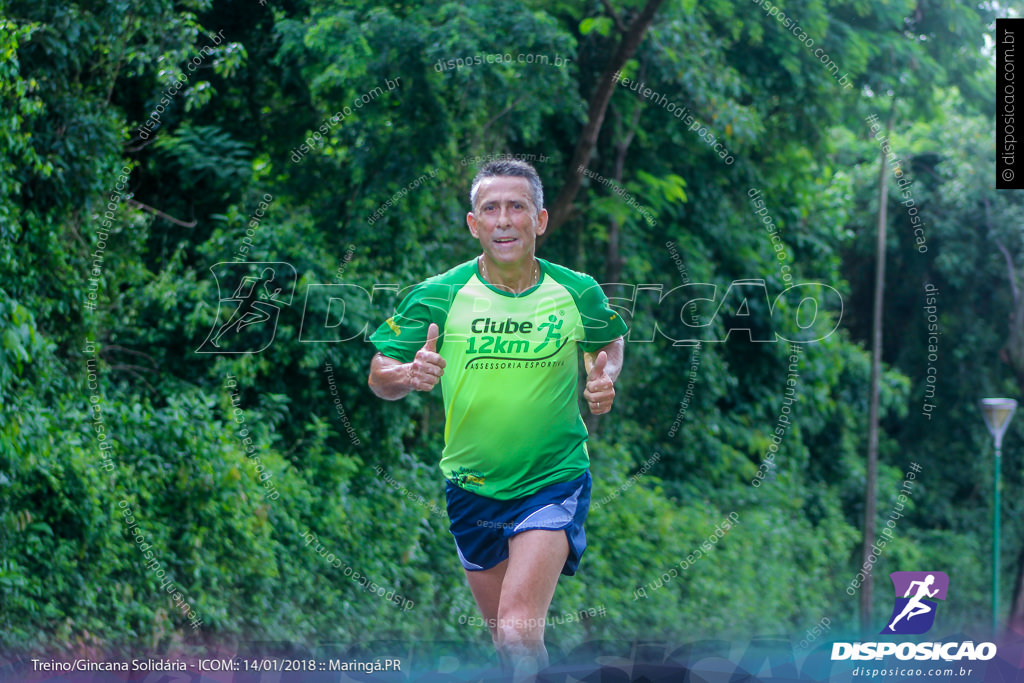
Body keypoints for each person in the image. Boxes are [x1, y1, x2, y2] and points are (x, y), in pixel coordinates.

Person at [367, 159, 626, 680]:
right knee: (509, 642)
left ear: (541, 219)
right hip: (471, 487)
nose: (504, 219)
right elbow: (379, 372)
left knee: (516, 629)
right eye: (491, 208)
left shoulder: (577, 290)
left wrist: (604, 377)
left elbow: (608, 341)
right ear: (473, 223)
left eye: (517, 207)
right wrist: (408, 373)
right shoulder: (440, 293)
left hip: (551, 481)